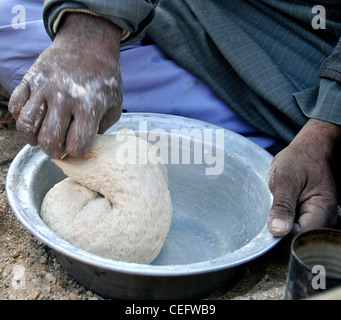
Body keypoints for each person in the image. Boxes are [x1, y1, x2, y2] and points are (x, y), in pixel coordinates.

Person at [1, 0, 340, 238]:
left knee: (279, 126)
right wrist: (88, 27)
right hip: (161, 9)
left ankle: (264, 133)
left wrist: (324, 130)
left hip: (283, 52)